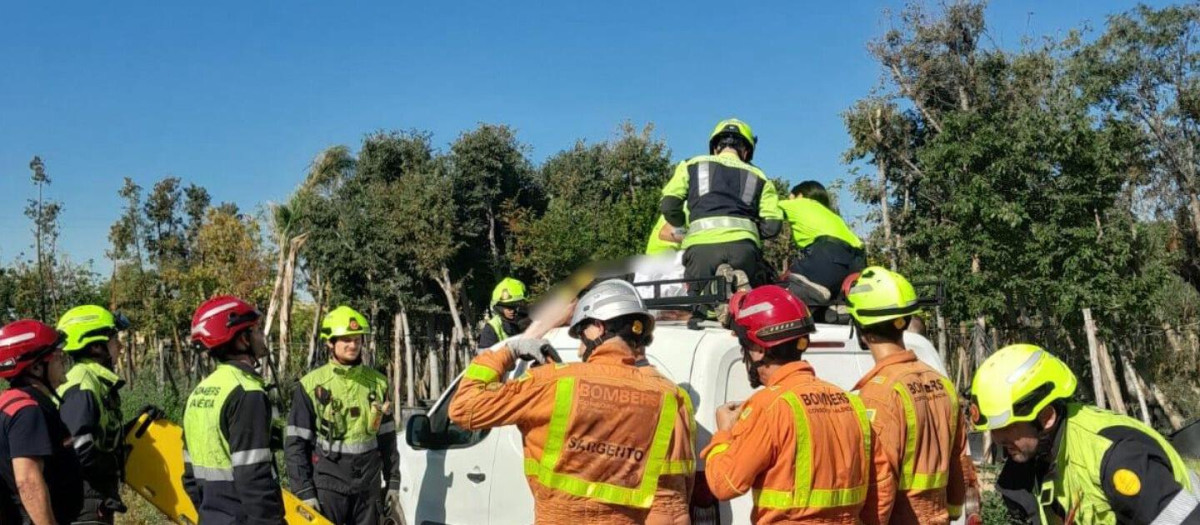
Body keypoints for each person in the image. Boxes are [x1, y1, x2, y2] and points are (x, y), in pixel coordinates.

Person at [449, 280, 695, 524]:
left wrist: (510, 351)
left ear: (597, 327)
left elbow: (464, 408)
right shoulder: (671, 397)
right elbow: (671, 503)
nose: (579, 348)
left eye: (580, 334)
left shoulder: (553, 382)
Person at [701, 285, 894, 524]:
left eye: (745, 348)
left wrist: (723, 434)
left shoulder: (770, 406)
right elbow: (881, 487)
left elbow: (723, 484)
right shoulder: (851, 403)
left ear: (759, 349)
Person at [971, 344, 1200, 524]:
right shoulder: (1038, 458)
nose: (997, 438)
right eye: (993, 429)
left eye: (1007, 427)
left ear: (1046, 418)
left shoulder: (1116, 457)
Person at [844, 268, 967, 524]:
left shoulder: (878, 395)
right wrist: (953, 511)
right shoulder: (941, 383)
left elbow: (879, 484)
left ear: (860, 327)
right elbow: (959, 462)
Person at [287, 306, 399, 525]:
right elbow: (296, 444)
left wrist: (393, 480)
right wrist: (304, 491)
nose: (353, 345)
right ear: (330, 342)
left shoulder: (378, 383)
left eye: (357, 339)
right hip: (328, 485)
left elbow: (387, 438)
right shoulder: (311, 386)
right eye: (346, 340)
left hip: (368, 486)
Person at [181, 295, 284, 524]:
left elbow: (189, 475)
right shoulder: (247, 392)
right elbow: (253, 475)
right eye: (256, 330)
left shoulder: (199, 392)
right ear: (243, 339)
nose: (262, 335)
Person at [660, 118, 784, 295]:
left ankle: (709, 301)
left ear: (715, 147)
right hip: (744, 251)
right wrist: (750, 231)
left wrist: (681, 224)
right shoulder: (761, 177)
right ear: (746, 151)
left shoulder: (690, 164)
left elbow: (669, 204)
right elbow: (773, 226)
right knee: (745, 304)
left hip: (701, 250)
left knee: (701, 303)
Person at [0, 319, 83, 525]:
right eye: (56, 355)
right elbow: (28, 481)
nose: (63, 360)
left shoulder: (10, 403)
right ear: (37, 368)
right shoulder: (27, 411)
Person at [56, 305, 131, 524]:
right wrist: (112, 465)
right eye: (114, 339)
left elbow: (97, 437)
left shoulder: (94, 381)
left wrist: (138, 426)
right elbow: (77, 448)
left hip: (93, 500)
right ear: (96, 346)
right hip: (82, 503)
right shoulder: (82, 386)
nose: (121, 346)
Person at [778, 181, 865, 312]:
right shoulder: (833, 216)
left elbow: (765, 207)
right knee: (825, 312)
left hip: (828, 257)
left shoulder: (799, 203)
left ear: (799, 195)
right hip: (856, 265)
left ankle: (814, 291)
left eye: (790, 197)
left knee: (778, 295)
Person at [477, 277, 530, 351]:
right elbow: (485, 357)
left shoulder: (533, 321)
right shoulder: (491, 328)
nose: (511, 311)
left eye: (514, 306)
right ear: (498, 307)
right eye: (506, 306)